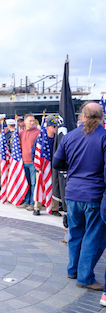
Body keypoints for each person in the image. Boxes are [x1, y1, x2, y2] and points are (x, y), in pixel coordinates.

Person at [53, 102, 106, 291]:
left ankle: (73, 269)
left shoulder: (70, 137)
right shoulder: (104, 136)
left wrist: (75, 170)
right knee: (93, 237)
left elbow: (57, 163)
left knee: (75, 233)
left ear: (82, 116)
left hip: (73, 193)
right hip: (94, 195)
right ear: (101, 117)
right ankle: (85, 278)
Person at [30, 115, 61, 216]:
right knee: (39, 186)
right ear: (47, 127)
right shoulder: (41, 139)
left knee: (55, 187)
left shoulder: (59, 138)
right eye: (53, 127)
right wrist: (36, 165)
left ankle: (54, 208)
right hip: (42, 167)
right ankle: (37, 208)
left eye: (56, 126)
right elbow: (34, 152)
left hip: (54, 167)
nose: (55, 128)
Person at [19, 114, 40, 210]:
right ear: (25, 122)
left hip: (33, 162)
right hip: (23, 161)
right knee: (26, 182)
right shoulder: (20, 132)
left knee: (34, 183)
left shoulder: (38, 132)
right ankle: (26, 201)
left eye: (33, 121)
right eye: (30, 121)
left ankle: (32, 202)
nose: (32, 123)